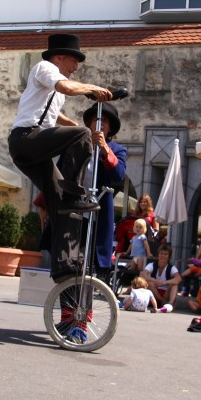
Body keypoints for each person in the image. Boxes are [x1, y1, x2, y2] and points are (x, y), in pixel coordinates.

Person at [7, 32, 112, 283]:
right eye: (74, 61)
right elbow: (65, 86)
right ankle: (74, 191)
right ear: (60, 57)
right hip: (26, 139)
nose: (76, 67)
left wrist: (73, 124)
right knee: (83, 136)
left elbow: (53, 116)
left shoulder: (56, 88)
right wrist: (92, 89)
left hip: (32, 149)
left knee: (60, 204)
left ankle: (64, 266)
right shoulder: (44, 68)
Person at [81, 101, 127, 282]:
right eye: (95, 119)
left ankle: (87, 308)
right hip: (76, 211)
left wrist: (104, 149)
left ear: (110, 128)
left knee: (95, 266)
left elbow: (119, 175)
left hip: (99, 212)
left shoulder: (117, 150)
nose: (99, 124)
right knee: (71, 262)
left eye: (104, 121)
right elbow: (62, 173)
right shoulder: (78, 144)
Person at [143, 243, 181, 309]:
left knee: (174, 284)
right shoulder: (152, 265)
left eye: (165, 254)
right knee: (149, 283)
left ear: (169, 257)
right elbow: (143, 275)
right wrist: (155, 281)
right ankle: (163, 301)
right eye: (161, 253)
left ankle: (170, 303)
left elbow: (178, 279)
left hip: (165, 293)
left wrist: (163, 283)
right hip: (154, 294)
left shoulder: (171, 267)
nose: (163, 256)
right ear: (158, 255)